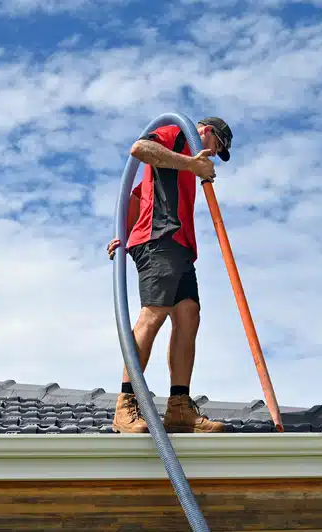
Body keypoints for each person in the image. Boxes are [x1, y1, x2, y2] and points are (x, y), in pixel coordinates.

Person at [106, 117, 233, 434]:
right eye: (216, 146)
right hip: (158, 238)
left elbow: (137, 195)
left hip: (179, 245)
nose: (214, 155)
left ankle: (179, 407)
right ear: (205, 132)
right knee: (154, 314)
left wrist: (123, 232)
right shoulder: (176, 134)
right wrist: (192, 164)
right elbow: (141, 148)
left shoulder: (181, 162)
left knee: (189, 314)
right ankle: (125, 404)